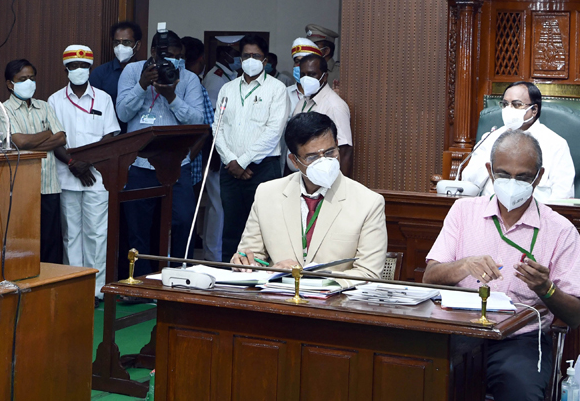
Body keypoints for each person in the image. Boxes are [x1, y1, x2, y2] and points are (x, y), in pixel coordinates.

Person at [423, 130, 580, 401]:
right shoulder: (463, 212)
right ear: (490, 171)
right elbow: (429, 277)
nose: (511, 183)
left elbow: (576, 316)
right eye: (504, 174)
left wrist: (546, 289)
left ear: (539, 177)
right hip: (457, 331)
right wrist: (464, 265)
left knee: (520, 390)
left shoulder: (560, 230)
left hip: (520, 340)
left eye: (522, 177)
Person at [232, 112, 386, 285]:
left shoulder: (368, 203)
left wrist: (312, 281)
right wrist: (247, 264)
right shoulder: (267, 194)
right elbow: (252, 256)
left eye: (330, 152)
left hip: (334, 305)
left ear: (337, 146)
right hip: (278, 301)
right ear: (295, 161)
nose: (324, 162)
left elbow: (369, 273)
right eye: (312, 157)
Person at [117, 28, 206, 275]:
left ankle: (180, 276)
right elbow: (122, 114)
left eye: (178, 57)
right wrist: (142, 85)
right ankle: (141, 280)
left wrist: (172, 97)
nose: (173, 62)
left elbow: (198, 121)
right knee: (138, 226)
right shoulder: (132, 71)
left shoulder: (188, 79)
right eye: (168, 55)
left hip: (178, 164)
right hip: (140, 164)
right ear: (153, 52)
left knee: (183, 220)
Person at [49, 45, 120, 305]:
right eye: (73, 65)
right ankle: (75, 285)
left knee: (97, 234)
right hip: (66, 175)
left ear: (90, 68)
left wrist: (87, 162)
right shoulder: (55, 100)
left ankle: (97, 289)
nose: (78, 70)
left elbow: (110, 135)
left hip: (96, 176)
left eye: (83, 65)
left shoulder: (103, 98)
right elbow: (54, 139)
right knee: (71, 235)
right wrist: (71, 162)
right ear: (65, 69)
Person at [214, 34, 289, 264]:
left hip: (263, 169)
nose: (250, 60)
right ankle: (228, 278)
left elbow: (273, 132)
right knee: (232, 229)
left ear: (265, 60)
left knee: (264, 228)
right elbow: (217, 128)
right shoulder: (227, 89)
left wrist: (243, 162)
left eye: (256, 56)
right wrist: (232, 162)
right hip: (230, 169)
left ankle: (261, 281)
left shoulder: (277, 89)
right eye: (246, 55)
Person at [0, 59, 66, 264]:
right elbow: (18, 141)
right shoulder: (4, 110)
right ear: (10, 84)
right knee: (25, 242)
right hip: (23, 188)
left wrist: (30, 146)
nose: (29, 83)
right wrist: (46, 133)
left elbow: (61, 138)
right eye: (23, 79)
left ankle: (51, 285)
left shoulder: (44, 106)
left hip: (49, 185)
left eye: (32, 78)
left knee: (51, 242)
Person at [461, 81, 574, 200]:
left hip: (535, 214)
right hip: (489, 212)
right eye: (505, 104)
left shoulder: (556, 143)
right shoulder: (491, 138)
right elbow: (469, 183)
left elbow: (563, 195)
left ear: (534, 109)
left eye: (516, 104)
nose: (508, 109)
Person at [182, 36, 221, 262]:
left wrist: (189, 157)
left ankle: (187, 260)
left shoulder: (197, 84)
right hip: (162, 165)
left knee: (187, 216)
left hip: (192, 163)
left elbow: (207, 126)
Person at [290, 53, 354, 177]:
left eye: (312, 74)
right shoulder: (303, 102)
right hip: (300, 177)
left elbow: (345, 151)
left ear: (324, 77)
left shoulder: (334, 106)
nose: (306, 79)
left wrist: (339, 187)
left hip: (323, 178)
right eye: (303, 75)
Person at [89, 21, 143, 132]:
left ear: (137, 45)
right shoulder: (100, 74)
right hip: (109, 136)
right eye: (117, 43)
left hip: (138, 134)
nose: (120, 47)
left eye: (127, 42)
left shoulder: (145, 72)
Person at [286, 38, 322, 116]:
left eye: (305, 62)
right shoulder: (285, 93)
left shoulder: (324, 95)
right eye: (297, 61)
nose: (300, 66)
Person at [305, 24, 340, 89]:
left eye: (314, 46)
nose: (310, 50)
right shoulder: (305, 70)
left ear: (326, 51)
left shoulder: (340, 72)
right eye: (309, 46)